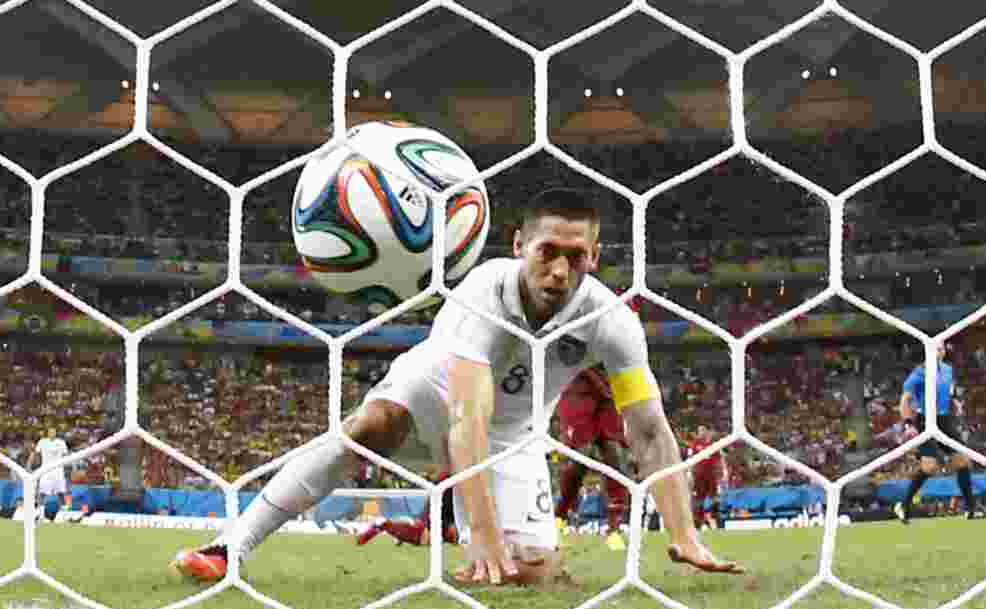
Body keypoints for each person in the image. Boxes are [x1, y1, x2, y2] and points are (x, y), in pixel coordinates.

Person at [171, 188, 743, 585]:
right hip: (437, 391)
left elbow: (648, 430)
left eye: (576, 257)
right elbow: (465, 420)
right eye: (548, 252)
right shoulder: (483, 292)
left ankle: (515, 553)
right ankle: (231, 546)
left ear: (595, 256)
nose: (560, 271)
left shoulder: (610, 319)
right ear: (519, 244)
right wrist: (484, 537)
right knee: (369, 427)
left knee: (533, 575)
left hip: (515, 433)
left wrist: (684, 533)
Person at [894, 343, 986, 523]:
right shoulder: (918, 373)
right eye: (936, 347)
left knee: (963, 462)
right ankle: (904, 504)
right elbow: (905, 400)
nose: (940, 350)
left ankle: (971, 509)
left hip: (944, 420)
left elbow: (948, 392)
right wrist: (908, 424)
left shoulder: (947, 370)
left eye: (941, 347)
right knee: (930, 467)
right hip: (925, 420)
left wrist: (955, 402)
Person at [553, 364, 631, 551]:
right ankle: (560, 516)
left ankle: (614, 528)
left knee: (615, 454)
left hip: (609, 383)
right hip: (577, 382)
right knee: (581, 455)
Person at [687, 425, 727, 530]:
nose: (701, 433)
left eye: (703, 431)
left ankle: (717, 519)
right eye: (699, 431)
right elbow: (690, 459)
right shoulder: (694, 445)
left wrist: (724, 472)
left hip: (711, 476)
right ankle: (698, 523)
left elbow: (720, 458)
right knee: (698, 499)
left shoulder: (713, 445)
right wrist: (690, 474)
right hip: (699, 476)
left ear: (706, 432)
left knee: (715, 498)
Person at [26, 427, 69, 519]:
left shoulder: (61, 442)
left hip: (58, 471)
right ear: (47, 433)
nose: (52, 433)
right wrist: (29, 464)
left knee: (61, 493)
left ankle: (65, 515)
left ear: (56, 433)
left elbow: (66, 456)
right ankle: (40, 515)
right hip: (46, 470)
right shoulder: (42, 442)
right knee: (42, 493)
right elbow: (35, 453)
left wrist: (66, 469)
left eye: (54, 432)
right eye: (50, 432)